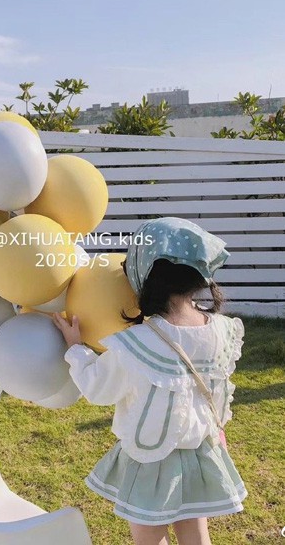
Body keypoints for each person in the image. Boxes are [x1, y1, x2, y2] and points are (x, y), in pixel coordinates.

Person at [53, 217, 247, 545]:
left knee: (149, 537)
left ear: (142, 273)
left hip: (150, 459)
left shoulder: (137, 343)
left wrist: (76, 349)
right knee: (195, 533)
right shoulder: (222, 330)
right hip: (201, 450)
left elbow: (98, 387)